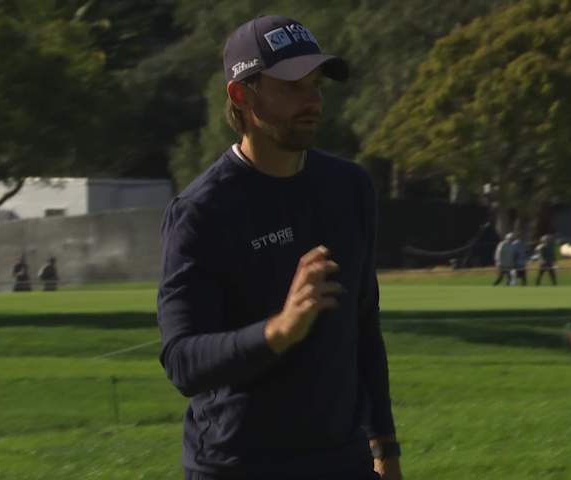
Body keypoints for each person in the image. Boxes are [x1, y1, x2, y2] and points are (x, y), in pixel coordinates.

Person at [156, 16, 400, 480]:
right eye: (291, 87)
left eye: (316, 85)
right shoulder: (201, 211)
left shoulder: (350, 188)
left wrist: (385, 446)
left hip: (343, 462)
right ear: (241, 95)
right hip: (238, 465)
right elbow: (183, 362)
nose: (312, 101)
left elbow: (363, 324)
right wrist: (279, 330)